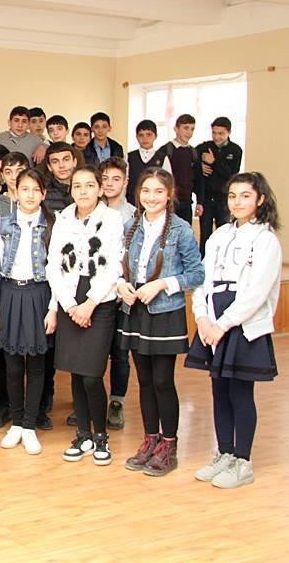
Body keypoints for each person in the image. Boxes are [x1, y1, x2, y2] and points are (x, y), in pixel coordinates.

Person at [186, 172, 280, 489]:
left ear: (260, 200)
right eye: (232, 196)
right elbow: (202, 280)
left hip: (241, 324)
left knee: (240, 392)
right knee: (219, 390)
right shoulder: (219, 236)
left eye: (245, 196)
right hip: (212, 322)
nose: (237, 202)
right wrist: (202, 319)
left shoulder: (265, 239)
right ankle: (224, 453)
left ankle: (243, 461)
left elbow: (256, 293)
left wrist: (223, 325)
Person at [116, 167, 203, 476]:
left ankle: (169, 445)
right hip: (135, 310)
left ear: (169, 195)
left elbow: (196, 274)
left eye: (158, 191)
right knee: (143, 380)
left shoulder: (180, 229)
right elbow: (118, 265)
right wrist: (121, 285)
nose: (151, 197)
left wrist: (163, 284)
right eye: (146, 191)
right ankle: (149, 440)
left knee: (162, 380)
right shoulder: (130, 226)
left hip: (165, 311)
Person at [46, 166, 123, 466]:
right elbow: (53, 265)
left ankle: (101, 435)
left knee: (92, 375)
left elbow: (114, 265)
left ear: (100, 189)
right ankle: (83, 435)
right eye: (77, 186)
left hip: (99, 300)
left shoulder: (112, 219)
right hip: (69, 297)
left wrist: (89, 304)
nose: (83, 191)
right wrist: (68, 305)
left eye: (89, 185)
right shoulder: (63, 218)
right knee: (76, 373)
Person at [0, 168, 56, 455]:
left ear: (44, 194)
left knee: (37, 364)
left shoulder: (53, 223)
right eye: (24, 189)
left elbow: (58, 269)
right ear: (15, 192)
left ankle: (30, 425)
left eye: (36, 190)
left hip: (39, 294)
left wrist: (53, 308)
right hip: (8, 293)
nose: (30, 195)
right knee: (13, 364)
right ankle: (16, 422)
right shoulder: (3, 223)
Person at [99, 156, 136, 430]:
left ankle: (116, 403)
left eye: (116, 179)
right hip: (96, 294)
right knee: (93, 352)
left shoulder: (134, 216)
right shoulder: (90, 210)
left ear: (125, 182)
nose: (110, 184)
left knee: (120, 353)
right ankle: (88, 401)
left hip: (122, 294)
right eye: (105, 179)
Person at [197, 117, 243, 253]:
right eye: (214, 133)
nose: (216, 137)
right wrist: (200, 165)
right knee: (205, 234)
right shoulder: (204, 147)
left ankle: (223, 260)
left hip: (224, 199)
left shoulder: (236, 150)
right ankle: (203, 262)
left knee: (224, 232)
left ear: (229, 132)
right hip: (206, 198)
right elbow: (192, 165)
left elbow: (231, 175)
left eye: (221, 133)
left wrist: (214, 162)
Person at [157, 113, 204, 224]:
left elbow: (199, 179)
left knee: (185, 232)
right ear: (176, 129)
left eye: (192, 129)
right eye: (186, 128)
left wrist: (200, 202)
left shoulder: (193, 152)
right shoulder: (165, 150)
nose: (189, 132)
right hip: (169, 201)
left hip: (187, 202)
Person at [126, 120, 171, 205]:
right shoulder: (129, 157)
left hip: (153, 202)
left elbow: (168, 183)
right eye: (141, 135)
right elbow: (124, 181)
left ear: (155, 136)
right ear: (136, 137)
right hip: (132, 203)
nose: (145, 139)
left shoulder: (162, 158)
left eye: (149, 135)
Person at [43, 142, 77, 214]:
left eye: (66, 160)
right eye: (55, 162)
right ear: (49, 167)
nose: (61, 165)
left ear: (74, 162)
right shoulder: (43, 193)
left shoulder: (87, 188)